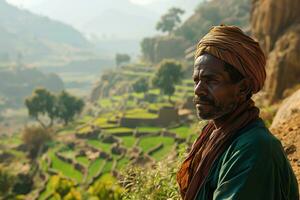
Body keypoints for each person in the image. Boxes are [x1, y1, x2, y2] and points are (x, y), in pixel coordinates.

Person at [176, 25, 299, 200]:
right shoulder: (215, 134)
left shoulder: (254, 149)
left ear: (243, 88)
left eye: (211, 80)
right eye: (197, 80)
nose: (198, 90)